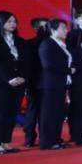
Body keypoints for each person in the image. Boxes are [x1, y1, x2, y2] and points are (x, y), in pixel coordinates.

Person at [0, 10, 27, 154]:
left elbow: (26, 62)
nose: (13, 24)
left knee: (12, 113)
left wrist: (23, 77)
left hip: (19, 83)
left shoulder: (20, 41)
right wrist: (9, 78)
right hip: (0, 83)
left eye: (14, 21)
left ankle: (6, 142)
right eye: (9, 21)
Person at [38, 19, 73, 150]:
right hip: (50, 84)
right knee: (49, 113)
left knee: (58, 113)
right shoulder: (47, 44)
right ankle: (47, 141)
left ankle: (56, 138)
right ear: (53, 30)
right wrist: (68, 70)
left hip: (60, 83)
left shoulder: (61, 44)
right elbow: (47, 65)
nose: (66, 30)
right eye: (63, 28)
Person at [22, 17, 48, 148]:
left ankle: (44, 137)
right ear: (36, 28)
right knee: (33, 110)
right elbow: (27, 64)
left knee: (45, 111)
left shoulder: (53, 42)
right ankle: (30, 138)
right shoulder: (29, 44)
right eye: (44, 26)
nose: (47, 29)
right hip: (34, 81)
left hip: (47, 82)